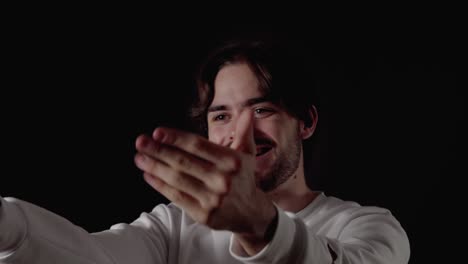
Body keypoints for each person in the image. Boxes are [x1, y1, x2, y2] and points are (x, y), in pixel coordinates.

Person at [0, 34, 410, 263]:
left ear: (306, 122)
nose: (239, 135)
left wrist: (258, 224)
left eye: (262, 109)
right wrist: (7, 225)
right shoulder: (174, 227)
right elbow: (91, 257)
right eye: (221, 116)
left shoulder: (370, 229)